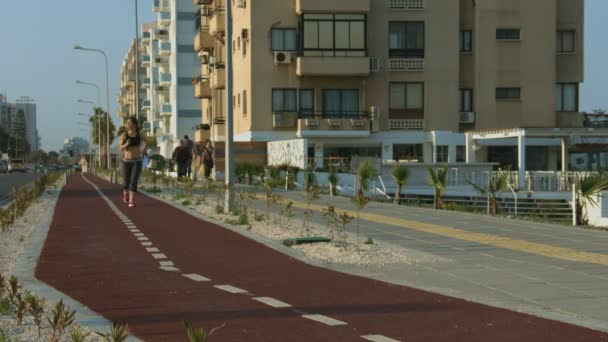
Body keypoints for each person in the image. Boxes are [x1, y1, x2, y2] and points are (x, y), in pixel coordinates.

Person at [119, 116, 146, 208]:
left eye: (129, 123)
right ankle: (125, 193)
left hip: (137, 161)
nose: (127, 124)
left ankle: (131, 200)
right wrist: (126, 144)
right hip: (126, 161)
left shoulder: (140, 134)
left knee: (133, 181)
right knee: (126, 182)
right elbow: (120, 148)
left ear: (134, 124)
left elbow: (146, 142)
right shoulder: (124, 135)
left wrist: (142, 150)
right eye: (127, 123)